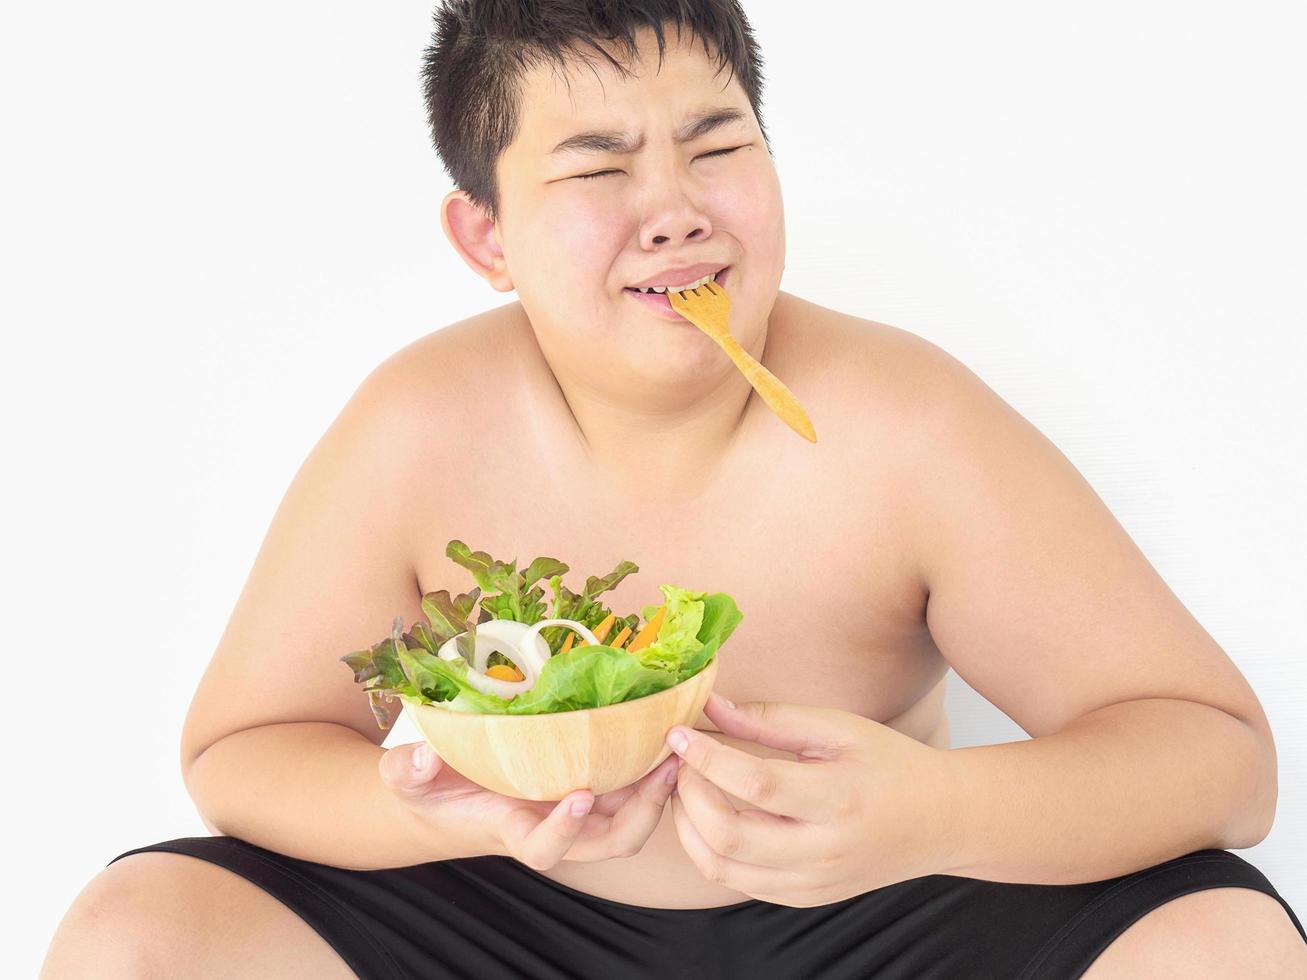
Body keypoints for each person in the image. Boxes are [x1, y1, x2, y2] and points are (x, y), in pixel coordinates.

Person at [41, 2, 1306, 977]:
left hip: (879, 911)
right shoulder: (419, 424)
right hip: (508, 917)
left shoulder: (906, 418)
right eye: (597, 170)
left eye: (717, 145)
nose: (675, 213)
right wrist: (455, 816)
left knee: (1225, 943)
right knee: (138, 928)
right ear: (486, 236)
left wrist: (931, 810)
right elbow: (241, 751)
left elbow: (1217, 759)